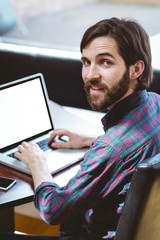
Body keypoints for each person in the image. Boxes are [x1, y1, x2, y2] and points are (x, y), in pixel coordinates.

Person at [13, 17, 160, 239]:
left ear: (136, 69)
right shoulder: (155, 103)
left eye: (105, 62)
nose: (90, 75)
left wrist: (37, 164)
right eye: (86, 62)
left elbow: (53, 210)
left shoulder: (111, 149)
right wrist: (88, 140)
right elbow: (138, 146)